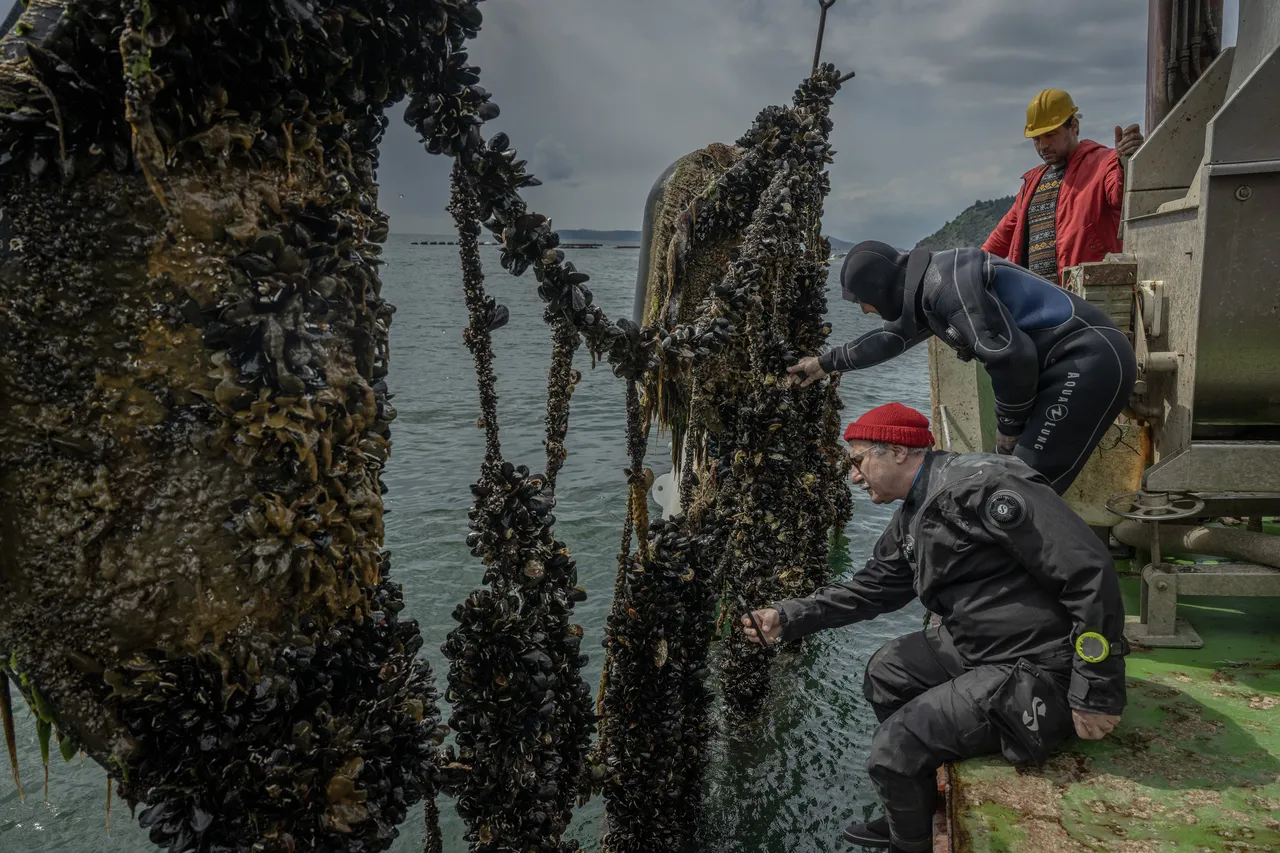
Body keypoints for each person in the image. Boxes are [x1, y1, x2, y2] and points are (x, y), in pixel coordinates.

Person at [741, 403, 1128, 853]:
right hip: (981, 644)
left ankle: (912, 840)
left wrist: (1097, 690)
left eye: (858, 460)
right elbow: (875, 589)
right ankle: (913, 810)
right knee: (887, 673)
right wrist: (789, 617)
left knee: (894, 748)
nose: (853, 477)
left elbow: (1089, 572)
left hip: (1042, 665)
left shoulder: (985, 487)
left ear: (898, 452)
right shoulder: (913, 511)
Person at [788, 240, 1137, 495]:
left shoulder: (946, 283)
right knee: (1017, 487)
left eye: (862, 301)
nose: (865, 310)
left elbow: (1009, 356)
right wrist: (823, 364)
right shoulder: (931, 286)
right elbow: (889, 340)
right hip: (1068, 366)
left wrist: (1009, 428)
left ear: (878, 289)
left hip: (1086, 359)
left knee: (1021, 493)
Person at [982, 88, 1144, 284]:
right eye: (1037, 139)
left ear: (1074, 126)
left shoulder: (1104, 162)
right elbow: (1000, 240)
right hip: (1036, 302)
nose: (1043, 146)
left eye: (1050, 135)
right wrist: (968, 266)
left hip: (1085, 298)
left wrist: (1125, 163)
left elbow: (1119, 196)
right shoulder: (1032, 183)